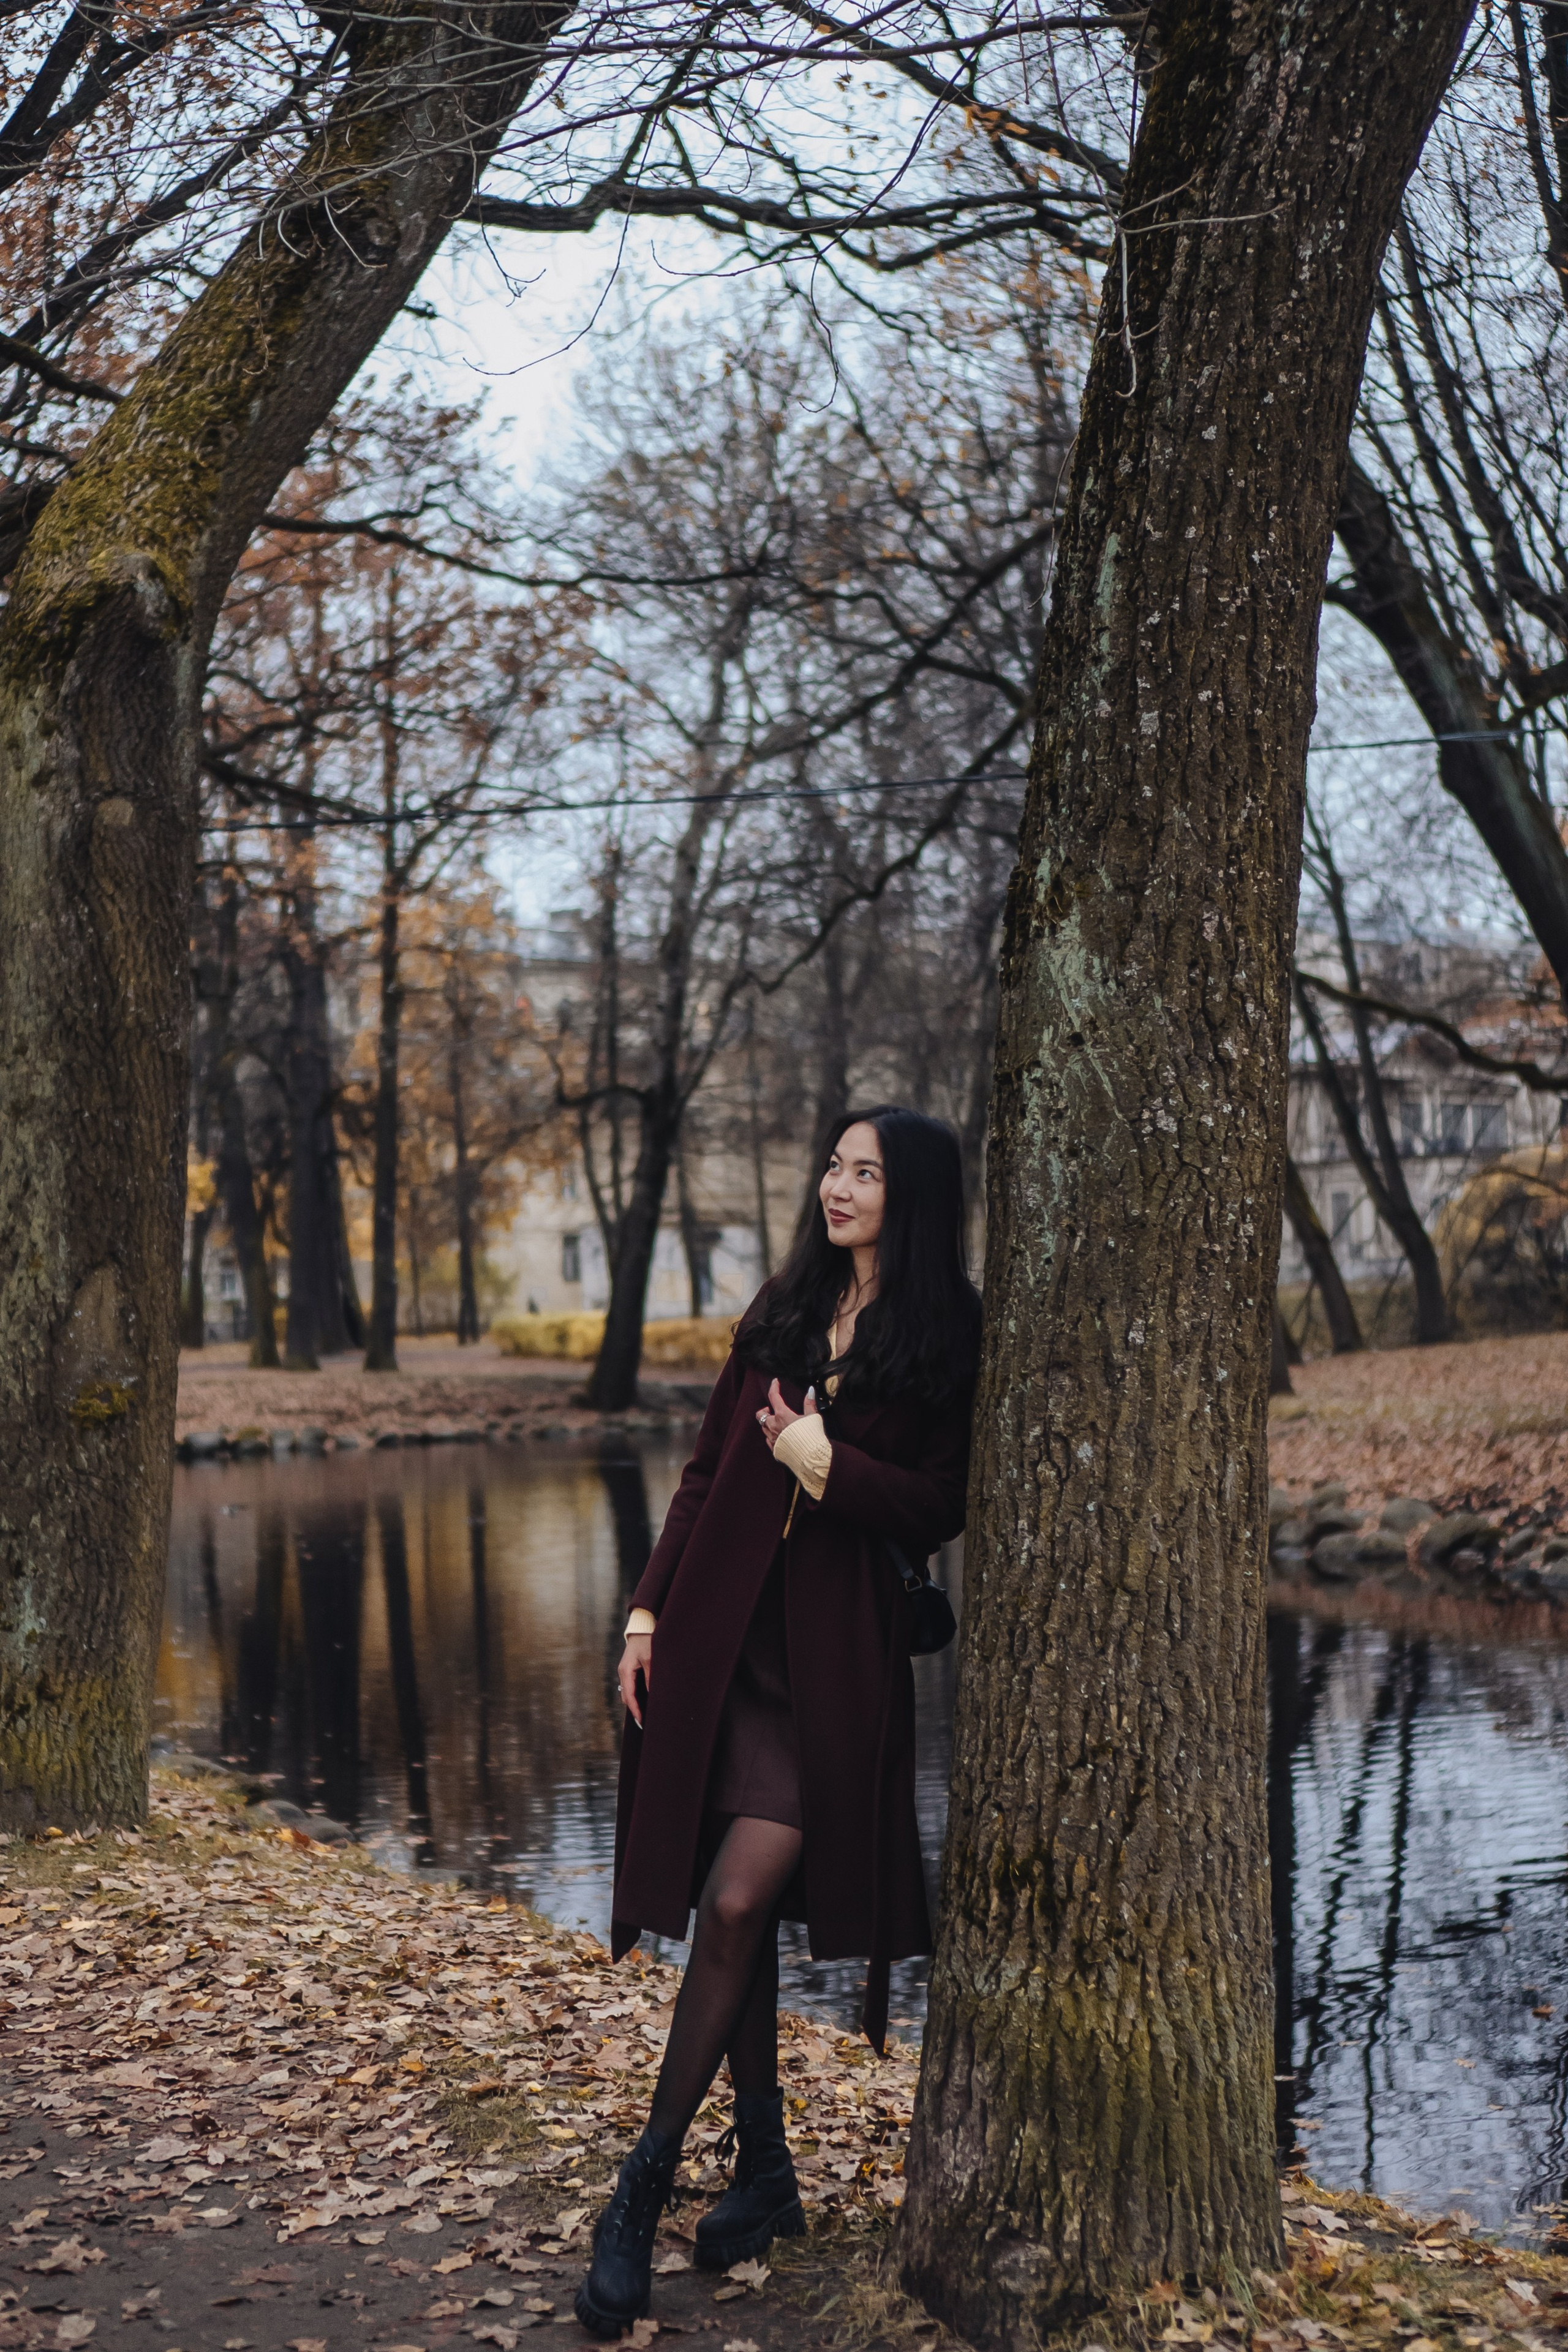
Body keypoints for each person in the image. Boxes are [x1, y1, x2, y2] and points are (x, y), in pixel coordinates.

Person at [575, 1106, 982, 2339]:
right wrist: (644, 1616)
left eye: (863, 1172)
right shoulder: (783, 1312)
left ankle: (640, 2184)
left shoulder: (947, 1328)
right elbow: (704, 1471)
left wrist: (823, 1460)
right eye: (832, 1165)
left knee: (744, 1898)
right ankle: (761, 2171)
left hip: (832, 1661)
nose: (837, 1187)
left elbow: (942, 1503)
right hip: (717, 1641)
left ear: (906, 1196)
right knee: (719, 1903)